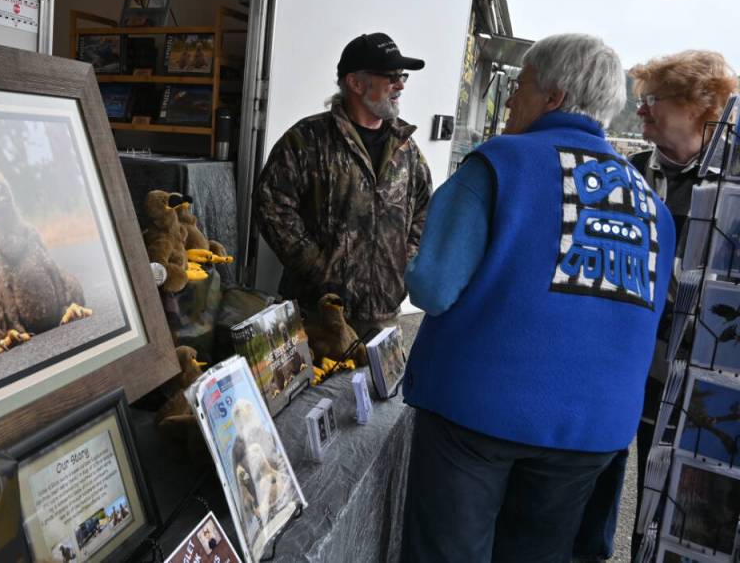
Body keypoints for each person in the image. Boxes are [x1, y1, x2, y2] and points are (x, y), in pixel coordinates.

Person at [399, 33, 676, 562]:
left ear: (553, 98)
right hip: (590, 429)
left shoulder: (501, 163)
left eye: (519, 87)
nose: (508, 100)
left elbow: (432, 288)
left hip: (476, 411)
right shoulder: (649, 203)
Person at [573, 50, 737, 561]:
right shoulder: (628, 176)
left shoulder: (732, 187)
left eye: (651, 102)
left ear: (699, 105)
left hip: (703, 386)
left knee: (680, 509)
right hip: (622, 370)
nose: (639, 111)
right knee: (598, 486)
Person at [253, 32, 432, 336]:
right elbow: (272, 207)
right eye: (390, 76)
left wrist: (405, 262)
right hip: (318, 316)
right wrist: (321, 271)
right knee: (322, 386)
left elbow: (425, 210)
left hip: (383, 318)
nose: (400, 85)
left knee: (378, 386)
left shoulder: (406, 149)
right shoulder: (307, 140)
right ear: (356, 82)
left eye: (401, 76)